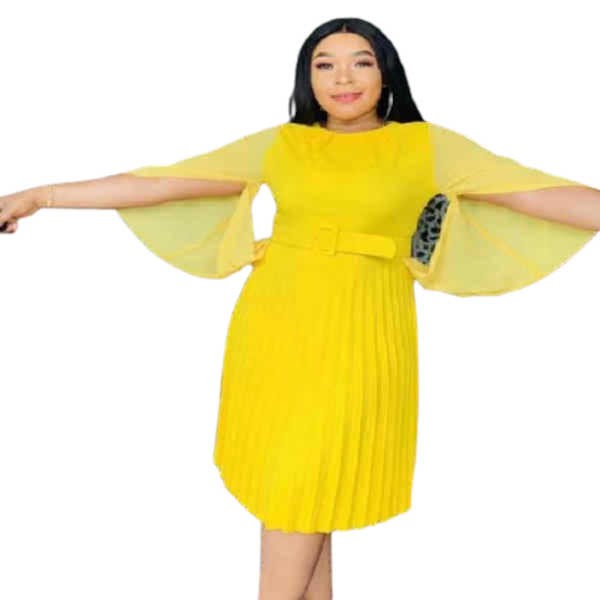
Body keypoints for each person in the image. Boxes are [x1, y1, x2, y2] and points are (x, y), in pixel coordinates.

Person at [1, 17, 599, 600]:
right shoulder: (282, 144)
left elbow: (542, 195)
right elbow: (161, 183)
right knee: (298, 493)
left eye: (361, 61)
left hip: (363, 332)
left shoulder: (429, 146)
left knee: (308, 485)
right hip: (276, 326)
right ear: (307, 78)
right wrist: (41, 196)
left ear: (386, 73)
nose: (344, 77)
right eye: (325, 64)